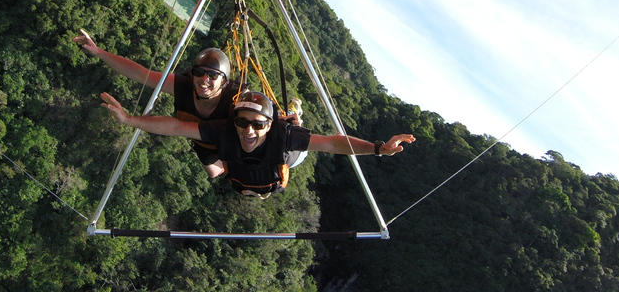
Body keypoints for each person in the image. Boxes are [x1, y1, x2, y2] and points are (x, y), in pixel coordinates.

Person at [100, 90, 415, 199]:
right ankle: (291, 113)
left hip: (284, 162)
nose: (249, 130)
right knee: (210, 153)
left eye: (258, 124)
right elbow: (176, 126)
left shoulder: (282, 136)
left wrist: (377, 148)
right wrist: (130, 120)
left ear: (269, 124)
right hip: (242, 174)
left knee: (298, 136)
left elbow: (333, 144)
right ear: (233, 120)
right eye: (242, 122)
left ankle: (293, 114)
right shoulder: (223, 131)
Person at [74, 29, 239, 177]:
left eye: (212, 75)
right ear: (193, 74)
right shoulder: (184, 85)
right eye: (199, 72)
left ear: (224, 82)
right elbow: (141, 74)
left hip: (226, 138)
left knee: (218, 170)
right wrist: (98, 51)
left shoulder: (235, 101)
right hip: (200, 137)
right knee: (212, 171)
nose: (204, 79)